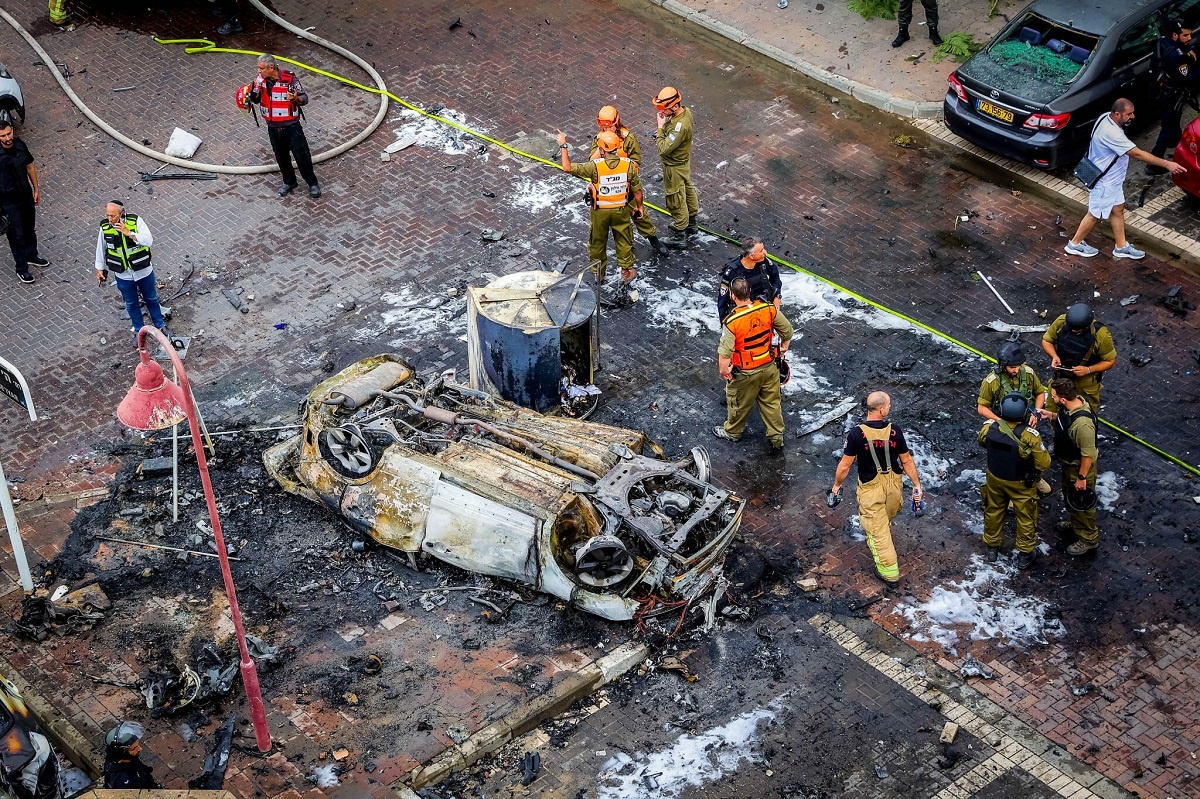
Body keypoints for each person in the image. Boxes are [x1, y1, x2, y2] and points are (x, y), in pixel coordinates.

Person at [1064, 99, 1184, 259]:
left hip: (1112, 181)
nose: (1133, 116)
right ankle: (1074, 244)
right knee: (1094, 214)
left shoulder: (1105, 117)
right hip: (1104, 182)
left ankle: (1121, 247)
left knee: (1117, 209)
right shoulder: (1112, 134)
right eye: (1129, 114)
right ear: (1117, 114)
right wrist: (1167, 164)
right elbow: (1138, 154)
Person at [828, 391, 925, 584]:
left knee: (878, 533)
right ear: (881, 410)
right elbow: (907, 461)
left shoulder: (856, 434)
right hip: (894, 486)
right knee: (886, 517)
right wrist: (916, 485)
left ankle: (889, 572)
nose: (889, 408)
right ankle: (883, 526)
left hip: (871, 489)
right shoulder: (895, 431)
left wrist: (836, 486)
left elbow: (845, 465)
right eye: (888, 405)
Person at [557, 129, 644, 303]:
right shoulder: (628, 165)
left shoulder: (595, 167)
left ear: (603, 150)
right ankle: (626, 271)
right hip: (621, 211)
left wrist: (563, 145)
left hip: (600, 213)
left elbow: (567, 167)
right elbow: (637, 190)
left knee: (597, 242)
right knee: (624, 241)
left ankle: (599, 274)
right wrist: (639, 208)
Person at [713, 277, 793, 454]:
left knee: (738, 404)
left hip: (745, 373)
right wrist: (783, 347)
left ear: (733, 296)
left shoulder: (732, 322)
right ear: (750, 291)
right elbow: (787, 330)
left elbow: (725, 354)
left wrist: (724, 372)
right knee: (772, 404)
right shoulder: (768, 309)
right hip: (769, 366)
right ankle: (776, 439)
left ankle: (733, 432)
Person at [978, 392, 1051, 569]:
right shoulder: (1030, 436)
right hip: (1021, 483)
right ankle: (1025, 555)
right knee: (1026, 517)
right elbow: (1044, 463)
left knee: (993, 510)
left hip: (995, 477)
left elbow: (982, 442)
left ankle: (992, 548)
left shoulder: (990, 427)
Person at [591, 106, 669, 257]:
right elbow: (591, 162)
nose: (606, 129)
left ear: (616, 122)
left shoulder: (627, 138)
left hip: (626, 186)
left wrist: (623, 169)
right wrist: (602, 145)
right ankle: (627, 245)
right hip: (607, 188)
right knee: (616, 220)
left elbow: (636, 161)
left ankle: (653, 239)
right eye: (603, 126)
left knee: (639, 214)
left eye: (610, 125)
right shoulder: (598, 139)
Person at [976, 341, 1050, 494]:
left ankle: (1035, 478)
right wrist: (1000, 423)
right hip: (1005, 426)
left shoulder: (1028, 373)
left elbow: (1040, 392)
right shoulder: (991, 382)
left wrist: (1036, 412)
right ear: (1003, 365)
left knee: (1031, 452)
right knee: (1008, 456)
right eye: (1012, 367)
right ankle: (1008, 489)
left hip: (1027, 422)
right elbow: (982, 407)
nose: (1016, 370)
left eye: (1018, 366)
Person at [248, 55, 320, 198]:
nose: (259, 71)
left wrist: (296, 99)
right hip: (273, 127)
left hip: (292, 127)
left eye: (261, 68)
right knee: (281, 157)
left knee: (302, 156)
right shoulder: (259, 81)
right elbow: (256, 100)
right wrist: (250, 95)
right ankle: (289, 182)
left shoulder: (290, 79)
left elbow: (304, 98)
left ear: (271, 68)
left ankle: (312, 183)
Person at [96, 201, 167, 343]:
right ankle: (139, 331)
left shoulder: (136, 221)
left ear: (122, 213)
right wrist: (100, 268)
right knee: (131, 303)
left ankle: (160, 327)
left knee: (151, 299)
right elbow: (101, 247)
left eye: (113, 216)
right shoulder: (105, 227)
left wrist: (130, 234)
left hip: (143, 270)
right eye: (108, 215)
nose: (110, 219)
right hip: (123, 274)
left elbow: (149, 241)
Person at [1049, 378, 1100, 556]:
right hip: (1069, 464)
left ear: (1063, 399)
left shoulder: (1083, 425)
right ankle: (1076, 523)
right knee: (1070, 496)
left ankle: (1088, 538)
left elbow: (1088, 454)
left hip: (1079, 468)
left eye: (1053, 395)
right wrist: (1050, 416)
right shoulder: (1070, 407)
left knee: (1081, 503)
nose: (1051, 397)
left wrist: (1081, 478)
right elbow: (1066, 422)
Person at [1041, 303, 1115, 413]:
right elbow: (1047, 340)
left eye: (1077, 330)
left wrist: (1088, 370)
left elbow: (1110, 361)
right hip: (1061, 377)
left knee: (1084, 413)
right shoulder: (1062, 322)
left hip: (1085, 384)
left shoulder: (1101, 335)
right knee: (1052, 409)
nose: (1073, 331)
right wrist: (1054, 356)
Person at [0, 120, 47, 285]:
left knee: (28, 227)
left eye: (9, 133)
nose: (7, 138)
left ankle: (31, 255)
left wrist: (36, 189)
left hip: (25, 195)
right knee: (16, 235)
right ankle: (22, 268)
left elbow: (29, 166)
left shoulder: (20, 145)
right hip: (7, 202)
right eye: (3, 136)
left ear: (12, 130)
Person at [652, 87, 698, 250]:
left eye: (662, 107)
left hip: (674, 167)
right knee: (687, 190)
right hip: (683, 163)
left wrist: (660, 128)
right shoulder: (687, 112)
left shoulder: (679, 127)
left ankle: (679, 235)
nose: (660, 111)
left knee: (675, 199)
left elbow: (663, 148)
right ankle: (692, 225)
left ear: (674, 106)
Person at [1148, 20, 1197, 172]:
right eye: (1185, 35)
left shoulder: (1163, 42)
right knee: (1168, 126)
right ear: (1175, 35)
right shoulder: (1178, 56)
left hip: (1162, 90)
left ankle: (1176, 143)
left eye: (1190, 34)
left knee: (1173, 123)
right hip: (1172, 95)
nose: (1189, 38)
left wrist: (1186, 49)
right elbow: (1186, 78)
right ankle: (1154, 164)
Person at [717, 236, 782, 322]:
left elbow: (775, 277)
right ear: (751, 256)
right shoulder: (732, 272)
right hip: (744, 313)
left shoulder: (764, 261)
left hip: (765, 306)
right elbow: (722, 299)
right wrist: (724, 321)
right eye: (761, 251)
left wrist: (777, 297)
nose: (765, 252)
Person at [103, 721, 159, 789]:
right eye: (134, 749)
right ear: (123, 753)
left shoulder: (128, 758)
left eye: (138, 745)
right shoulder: (124, 782)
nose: (140, 749)